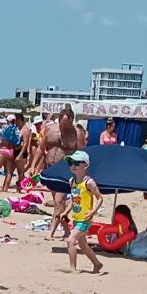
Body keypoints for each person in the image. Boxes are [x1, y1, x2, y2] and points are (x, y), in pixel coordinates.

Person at [43, 108, 81, 239]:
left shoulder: (77, 134)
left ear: (72, 120)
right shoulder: (50, 130)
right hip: (50, 169)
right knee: (60, 203)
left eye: (67, 122)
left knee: (59, 201)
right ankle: (67, 231)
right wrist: (33, 166)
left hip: (66, 171)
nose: (64, 125)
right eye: (62, 121)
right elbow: (41, 149)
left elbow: (84, 154)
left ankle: (51, 232)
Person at [64, 150, 105, 273]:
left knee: (70, 240)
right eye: (71, 163)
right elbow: (73, 199)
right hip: (76, 218)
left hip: (85, 219)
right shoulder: (72, 181)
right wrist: (65, 212)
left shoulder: (89, 182)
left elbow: (100, 198)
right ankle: (97, 264)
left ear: (85, 165)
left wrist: (93, 212)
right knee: (83, 245)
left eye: (77, 163)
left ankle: (73, 268)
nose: (73, 165)